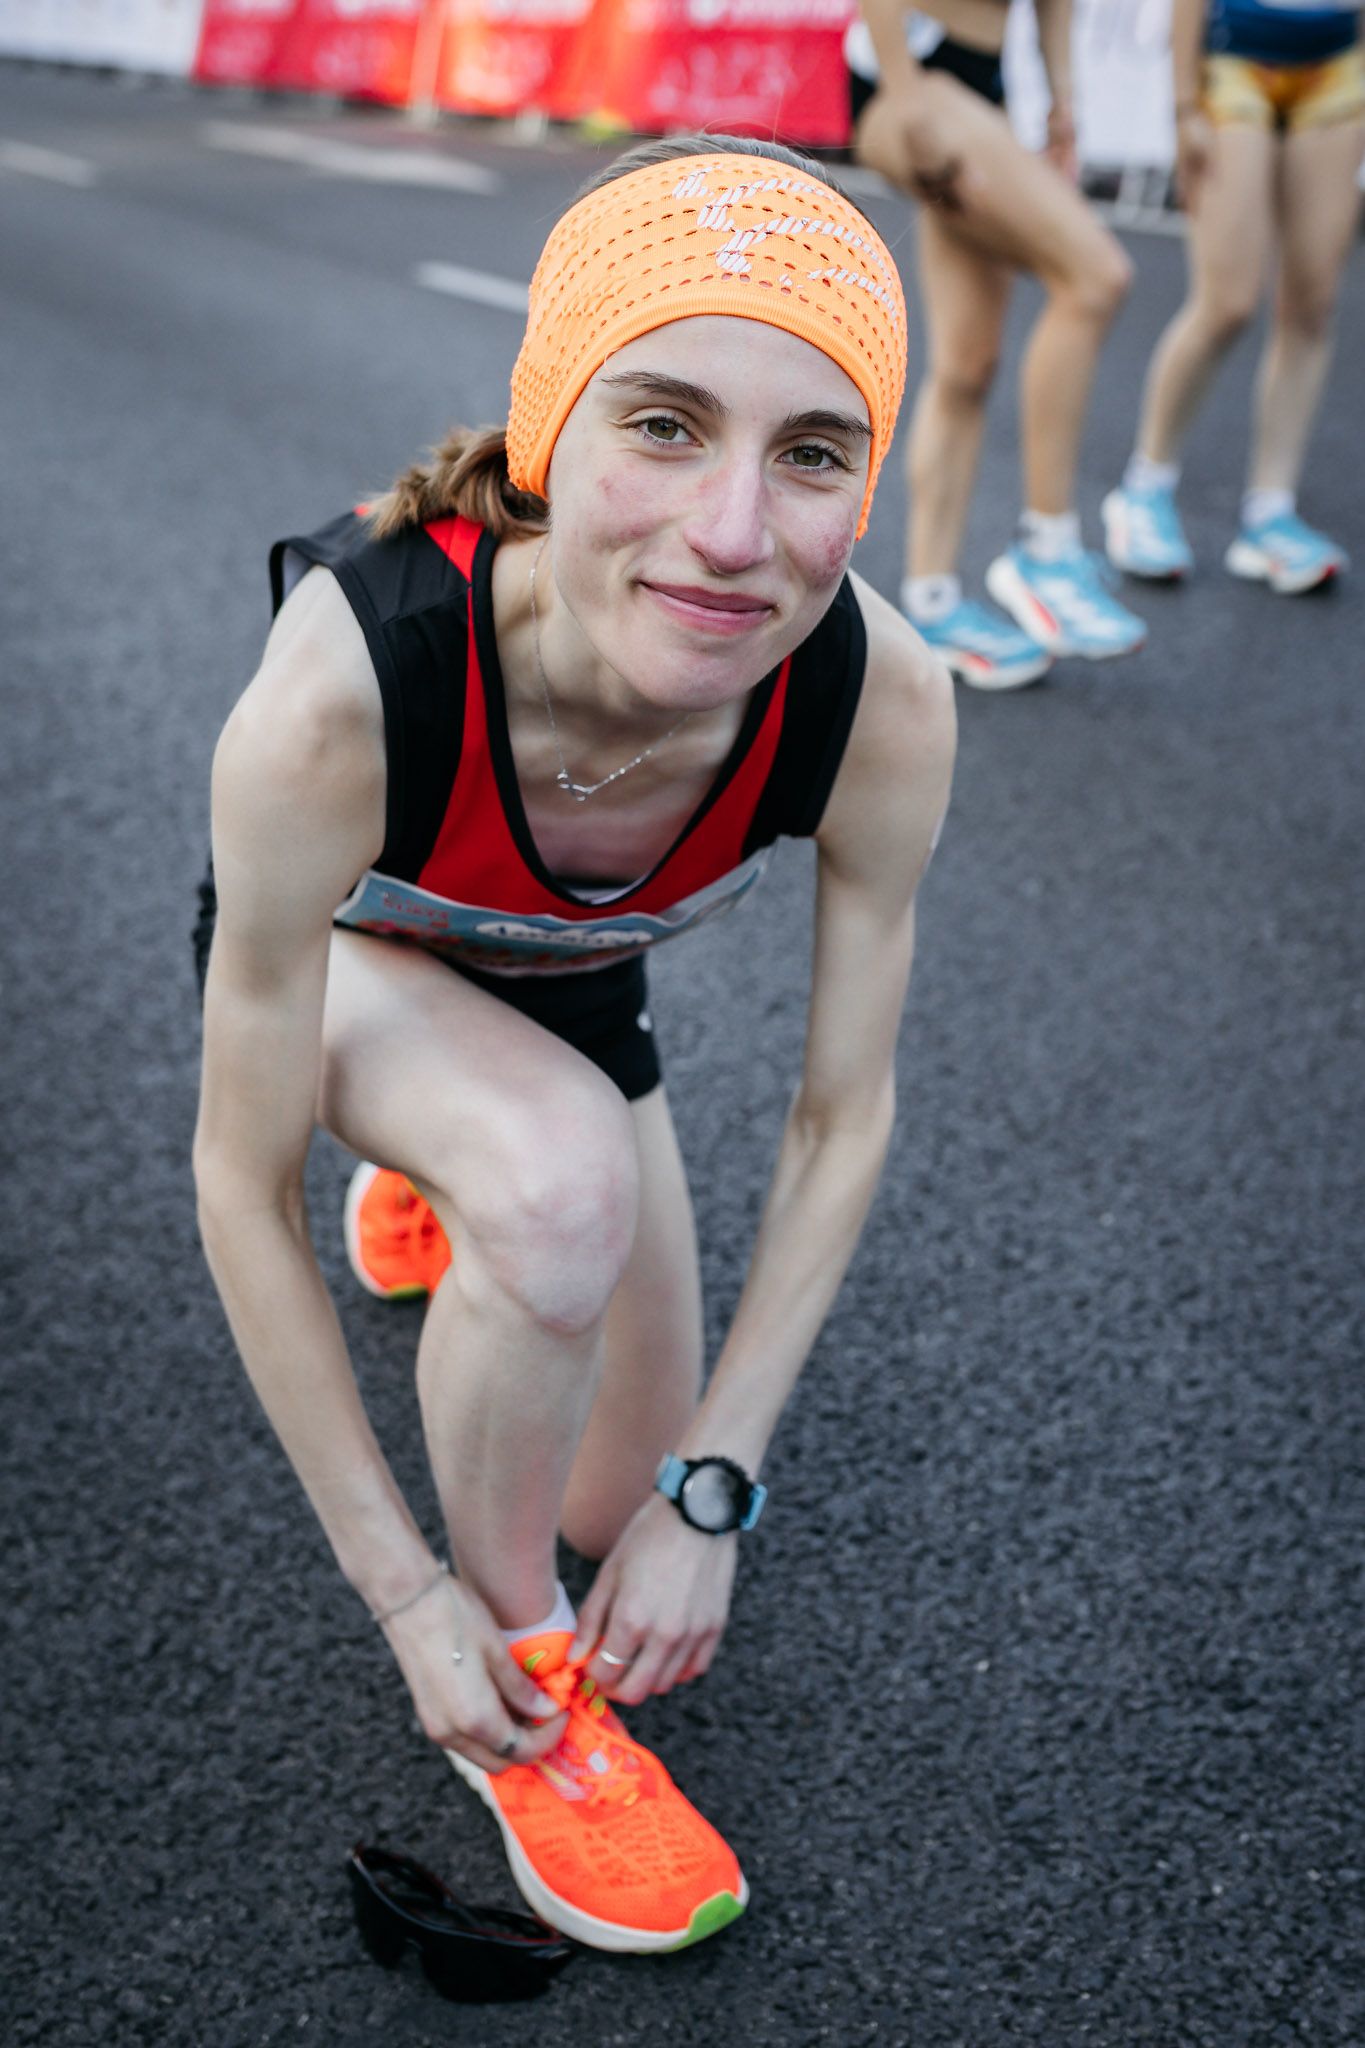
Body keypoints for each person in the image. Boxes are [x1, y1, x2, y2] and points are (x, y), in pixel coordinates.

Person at [192, 135, 955, 1956]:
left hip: (566, 994)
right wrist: (417, 1604)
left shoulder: (882, 700)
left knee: (618, 1495)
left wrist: (713, 1494)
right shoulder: (343, 678)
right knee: (554, 1187)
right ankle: (532, 1705)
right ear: (549, 430)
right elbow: (231, 1172)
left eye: (815, 456)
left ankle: (457, 1177)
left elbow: (844, 1116)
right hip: (351, 975)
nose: (731, 534)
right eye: (666, 424)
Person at [847, 0, 1148, 689]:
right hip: (913, 78)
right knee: (1096, 278)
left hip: (980, 84)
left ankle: (930, 602)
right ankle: (1047, 548)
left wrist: (1060, 103)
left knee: (966, 364)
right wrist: (905, 95)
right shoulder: (910, 87)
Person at [1103, 0, 1362, 591]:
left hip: (1339, 63)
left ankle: (1271, 512)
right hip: (1235, 60)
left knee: (1312, 304)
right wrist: (1184, 104)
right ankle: (1144, 488)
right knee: (1228, 302)